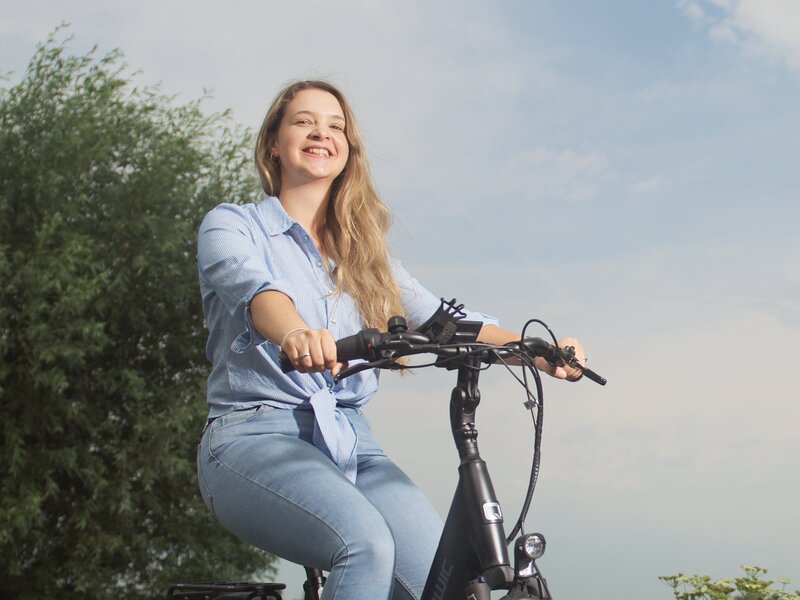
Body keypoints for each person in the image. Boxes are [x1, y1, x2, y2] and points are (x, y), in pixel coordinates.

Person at [195, 80, 585, 600]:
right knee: (365, 544)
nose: (322, 133)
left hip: (355, 447)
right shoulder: (232, 225)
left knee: (451, 583)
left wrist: (537, 350)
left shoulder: (366, 259)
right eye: (304, 121)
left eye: (336, 126)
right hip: (254, 437)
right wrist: (295, 333)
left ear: (348, 149)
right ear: (273, 141)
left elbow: (445, 319)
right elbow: (257, 291)